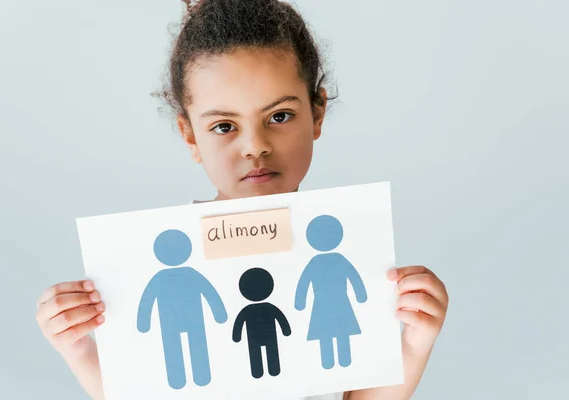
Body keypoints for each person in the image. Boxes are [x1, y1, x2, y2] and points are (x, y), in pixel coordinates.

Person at [34, 1, 449, 399]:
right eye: (224, 126)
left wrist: (414, 343)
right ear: (190, 135)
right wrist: (78, 348)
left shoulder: (354, 249)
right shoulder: (148, 263)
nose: (255, 146)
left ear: (317, 112)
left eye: (280, 116)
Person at [137, 229, 227, 389]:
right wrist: (219, 315)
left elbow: (147, 301)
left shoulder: (164, 278)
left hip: (176, 321)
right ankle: (193, 378)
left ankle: (189, 379)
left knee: (185, 347)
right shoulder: (186, 274)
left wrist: (144, 324)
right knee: (181, 347)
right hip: (185, 319)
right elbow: (209, 293)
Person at [294, 215, 367, 370]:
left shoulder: (322, 261)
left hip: (331, 302)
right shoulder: (327, 260)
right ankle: (331, 362)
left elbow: (304, 283)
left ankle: (342, 361)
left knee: (336, 332)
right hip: (329, 302)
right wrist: (361, 295)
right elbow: (304, 283)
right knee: (331, 332)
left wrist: (300, 303)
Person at [232, 267, 291, 379]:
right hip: (267, 336)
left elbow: (239, 323)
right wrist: (286, 330)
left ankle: (260, 372)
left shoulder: (249, 309)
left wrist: (237, 336)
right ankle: (270, 370)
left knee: (261, 354)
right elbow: (280, 318)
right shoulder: (268, 307)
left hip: (255, 337)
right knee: (265, 353)